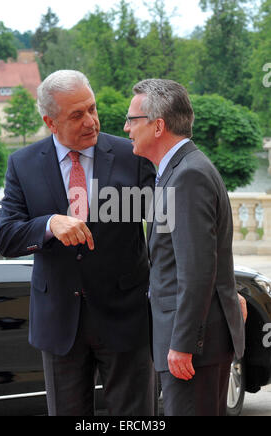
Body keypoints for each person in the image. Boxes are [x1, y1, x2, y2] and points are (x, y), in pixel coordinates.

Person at [0, 70, 156, 416]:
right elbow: (5, 236)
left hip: (126, 318)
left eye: (92, 109)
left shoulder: (133, 155)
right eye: (77, 115)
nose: (91, 122)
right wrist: (49, 224)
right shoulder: (22, 164)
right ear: (50, 122)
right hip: (60, 323)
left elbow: (169, 227)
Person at [124, 78, 246, 416]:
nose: (126, 128)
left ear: (158, 125)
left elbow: (196, 271)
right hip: (193, 342)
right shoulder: (179, 171)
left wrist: (183, 344)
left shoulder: (188, 176)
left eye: (132, 119)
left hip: (194, 349)